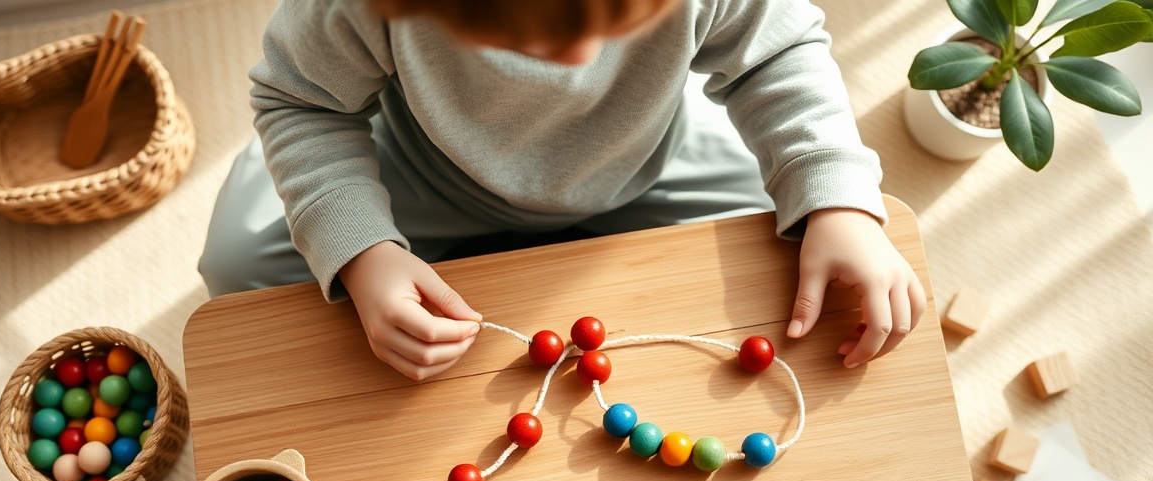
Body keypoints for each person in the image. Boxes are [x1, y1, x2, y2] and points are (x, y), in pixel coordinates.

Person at [200, 0, 925, 381]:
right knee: (237, 262)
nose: (578, 62)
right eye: (524, 43)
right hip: (424, 175)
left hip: (648, 165)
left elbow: (779, 52)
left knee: (797, 232)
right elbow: (302, 102)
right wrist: (363, 254)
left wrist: (838, 201)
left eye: (621, 20)